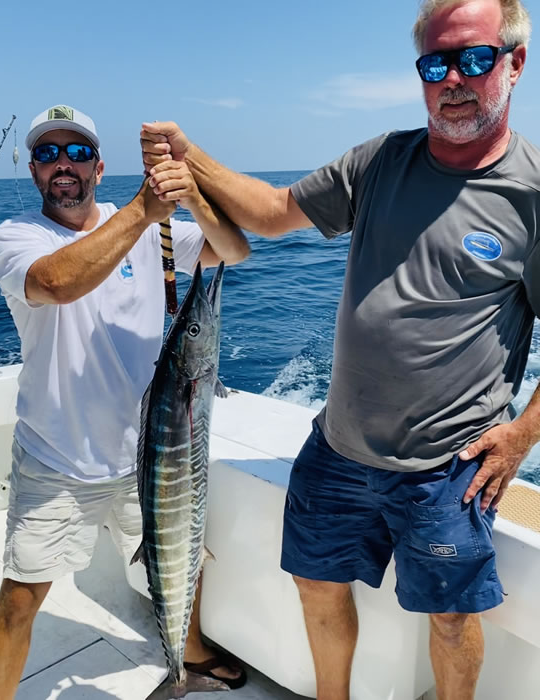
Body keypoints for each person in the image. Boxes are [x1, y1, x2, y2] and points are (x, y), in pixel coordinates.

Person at [140, 1, 540, 698]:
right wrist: (190, 156)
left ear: (514, 62)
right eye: (435, 62)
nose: (454, 78)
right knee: (317, 586)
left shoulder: (532, 195)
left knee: (450, 617)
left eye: (474, 58)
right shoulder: (382, 161)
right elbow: (270, 212)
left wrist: (522, 436)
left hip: (448, 467)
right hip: (338, 448)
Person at [0, 104, 250, 700]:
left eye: (77, 153)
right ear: (32, 170)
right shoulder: (16, 237)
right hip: (58, 457)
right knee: (22, 596)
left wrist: (190, 193)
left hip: (152, 454)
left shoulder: (158, 232)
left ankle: (189, 657)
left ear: (99, 167)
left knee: (184, 554)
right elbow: (57, 282)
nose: (63, 165)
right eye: (49, 153)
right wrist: (143, 209)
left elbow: (233, 250)